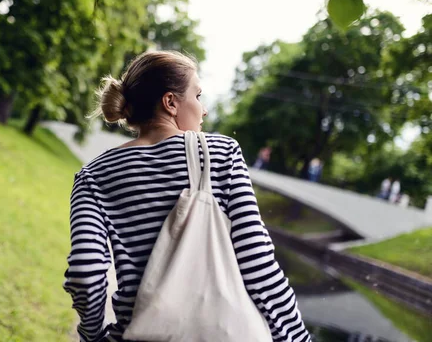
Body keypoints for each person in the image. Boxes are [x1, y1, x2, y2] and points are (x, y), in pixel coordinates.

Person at [63, 51, 310, 342]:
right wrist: (296, 337)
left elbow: (85, 273)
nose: (203, 110)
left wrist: (91, 335)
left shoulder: (93, 175)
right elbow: (257, 263)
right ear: (170, 102)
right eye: (198, 95)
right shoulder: (220, 154)